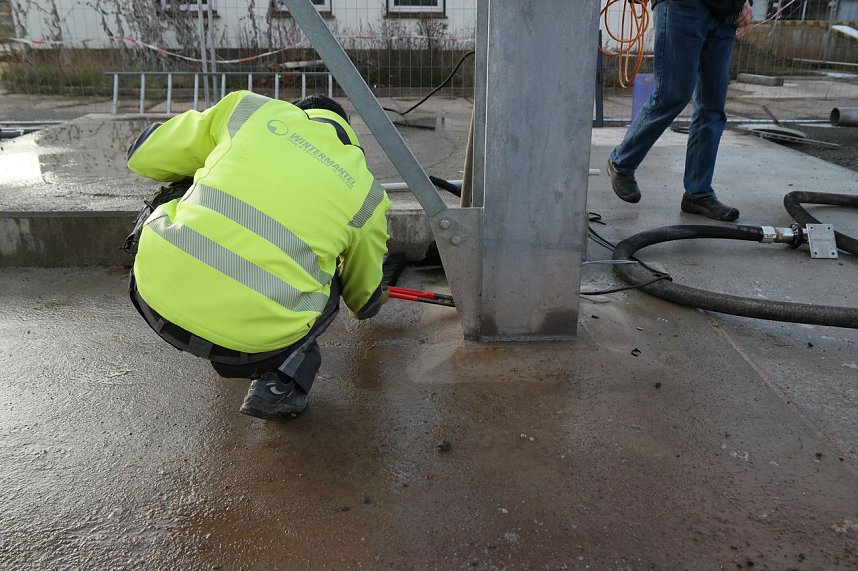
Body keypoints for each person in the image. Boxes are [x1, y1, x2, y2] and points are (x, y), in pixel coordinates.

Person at [123, 90, 391, 421]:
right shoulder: (368, 193)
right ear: (349, 139)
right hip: (252, 349)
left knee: (188, 176)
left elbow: (143, 157)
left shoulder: (250, 111)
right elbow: (362, 302)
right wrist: (373, 297)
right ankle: (282, 382)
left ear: (297, 112)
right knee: (330, 274)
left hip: (152, 296)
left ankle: (189, 282)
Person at [606, 0, 754, 222]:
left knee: (712, 108)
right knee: (671, 95)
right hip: (684, 6)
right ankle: (622, 162)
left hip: (726, 14)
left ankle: (698, 192)